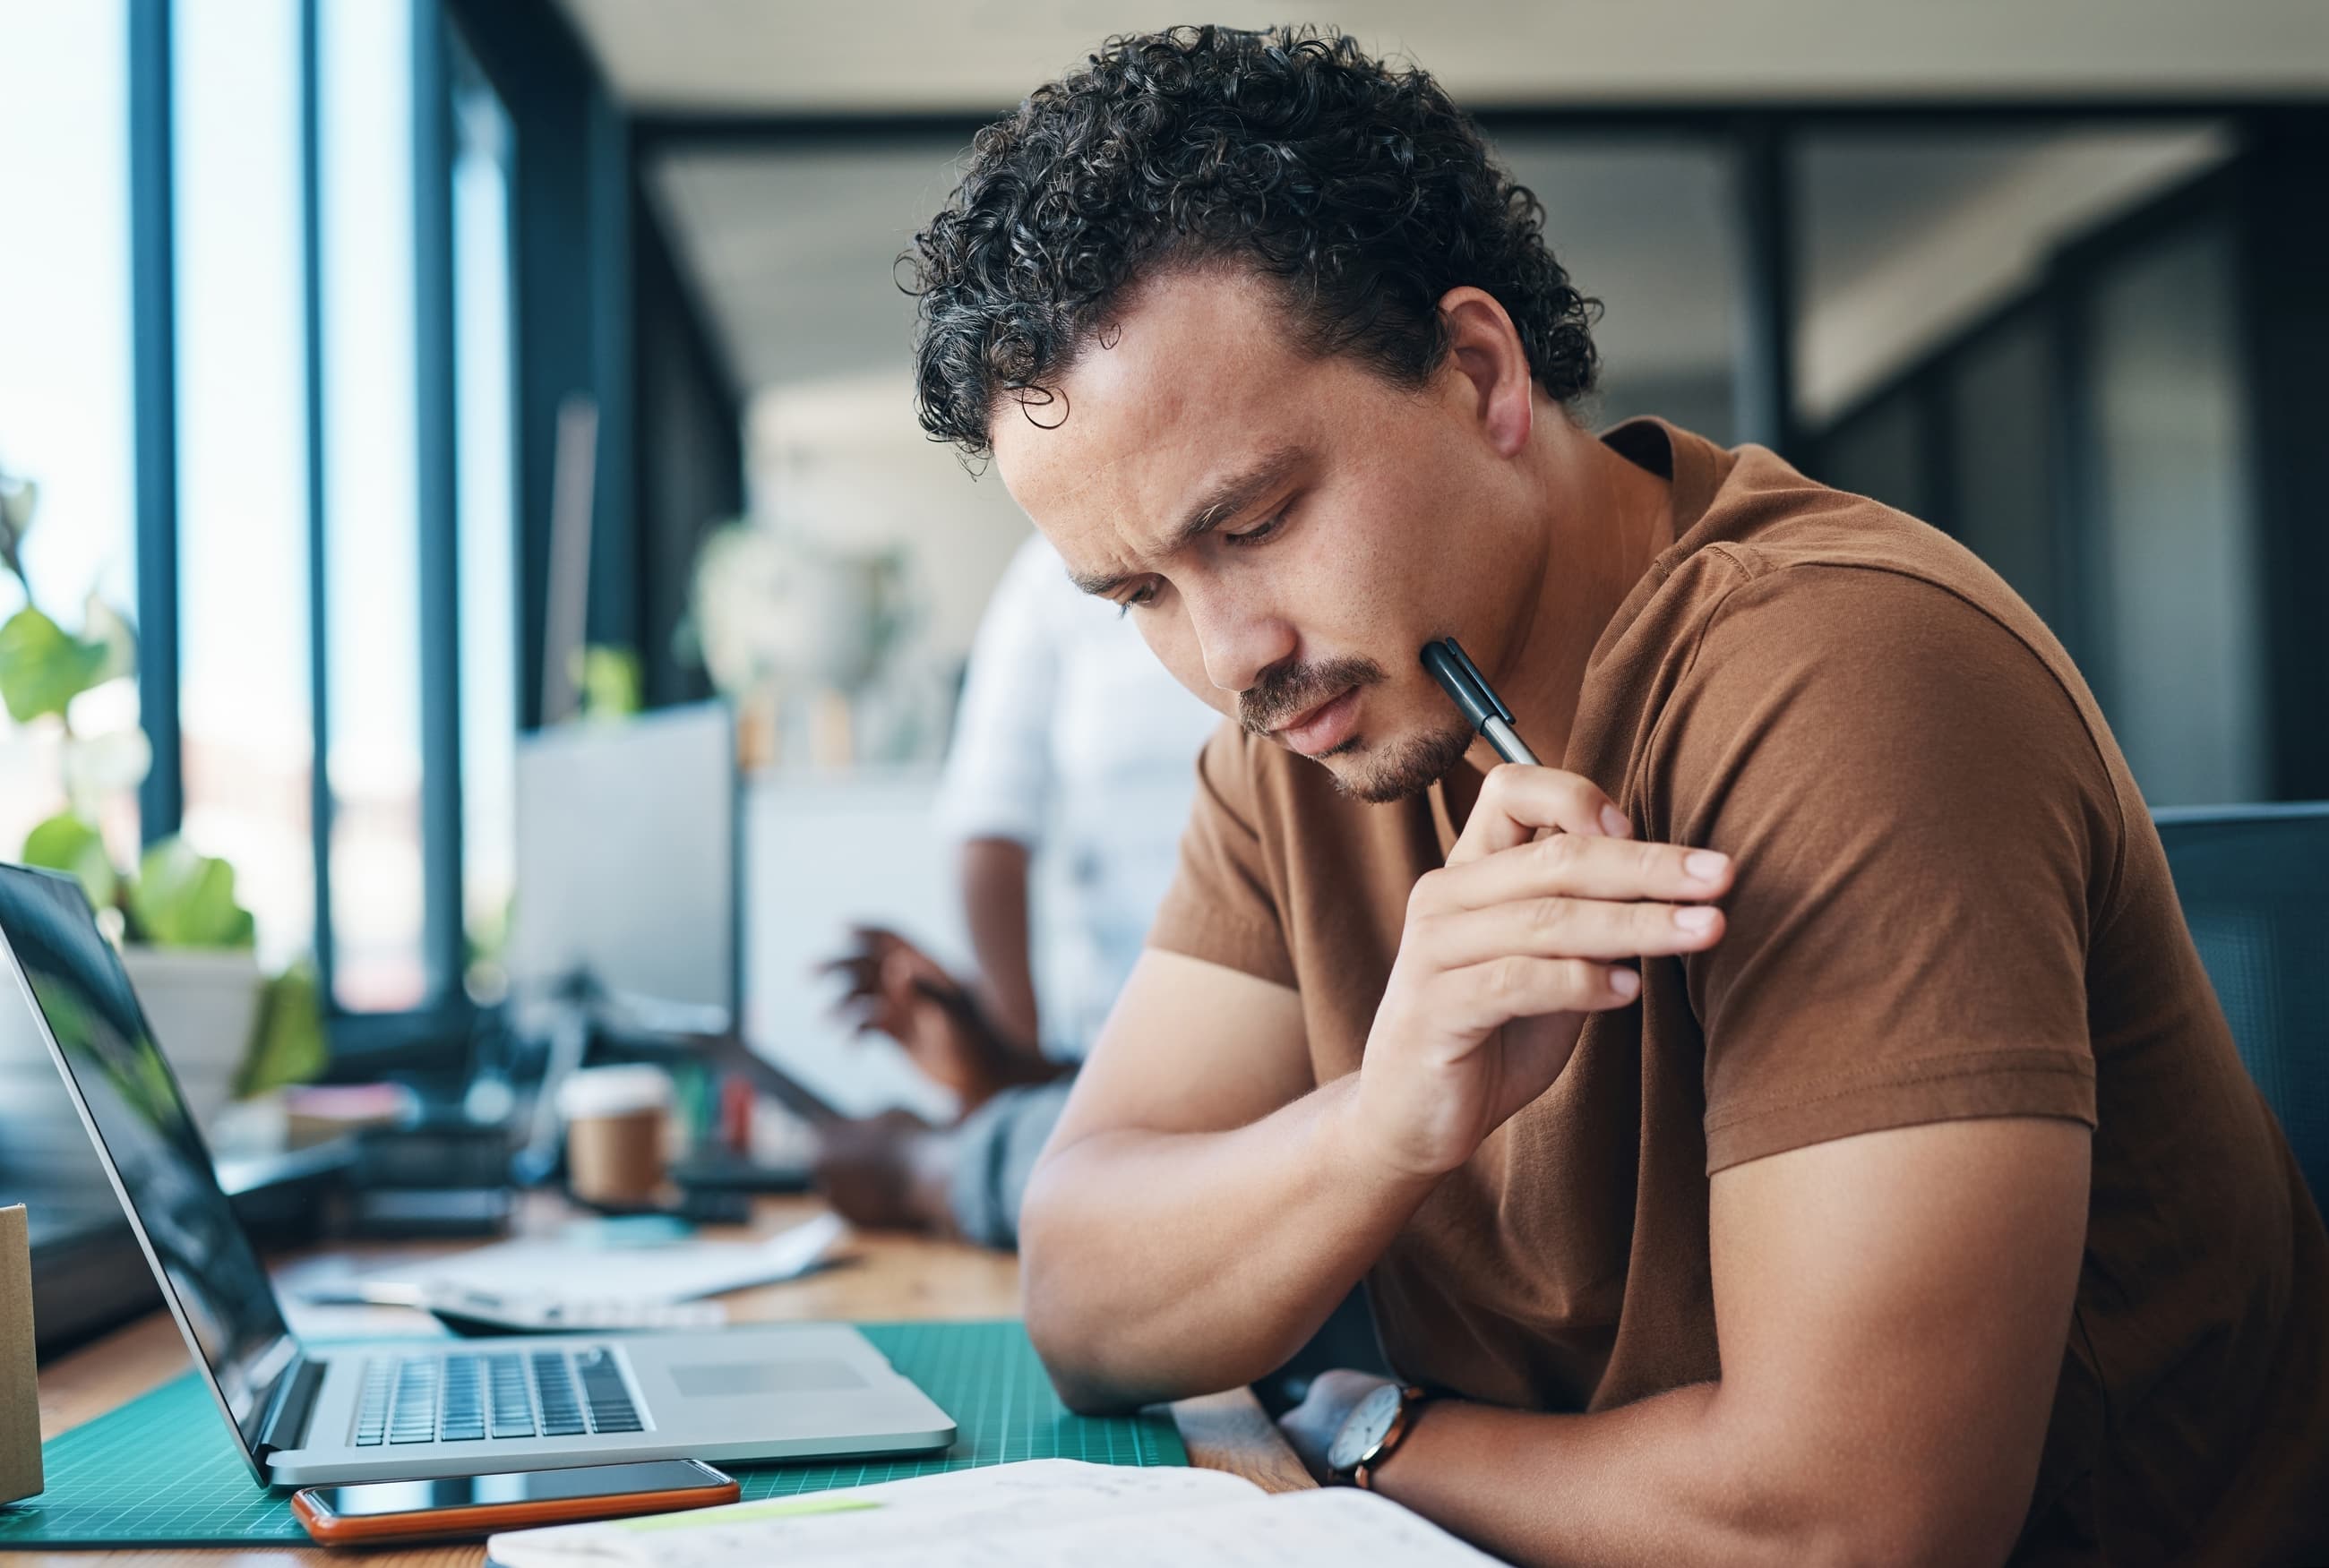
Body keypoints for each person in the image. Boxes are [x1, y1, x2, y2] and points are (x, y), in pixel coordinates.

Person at [898, 25, 2329, 1567]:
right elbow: (1083, 1288)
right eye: (1139, 595)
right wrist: (1384, 1123)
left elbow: (1853, 1530)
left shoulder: (1847, 675)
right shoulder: (1313, 723)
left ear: (1480, 371)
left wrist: (1383, 1437)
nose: (1228, 651)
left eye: (1253, 520)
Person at [812, 531, 1218, 1247]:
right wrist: (1011, 1056)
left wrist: (933, 1160)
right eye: (1136, 598)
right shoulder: (1044, 580)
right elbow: (988, 828)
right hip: (1110, 1047)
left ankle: (929, 1166)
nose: (1225, 657)